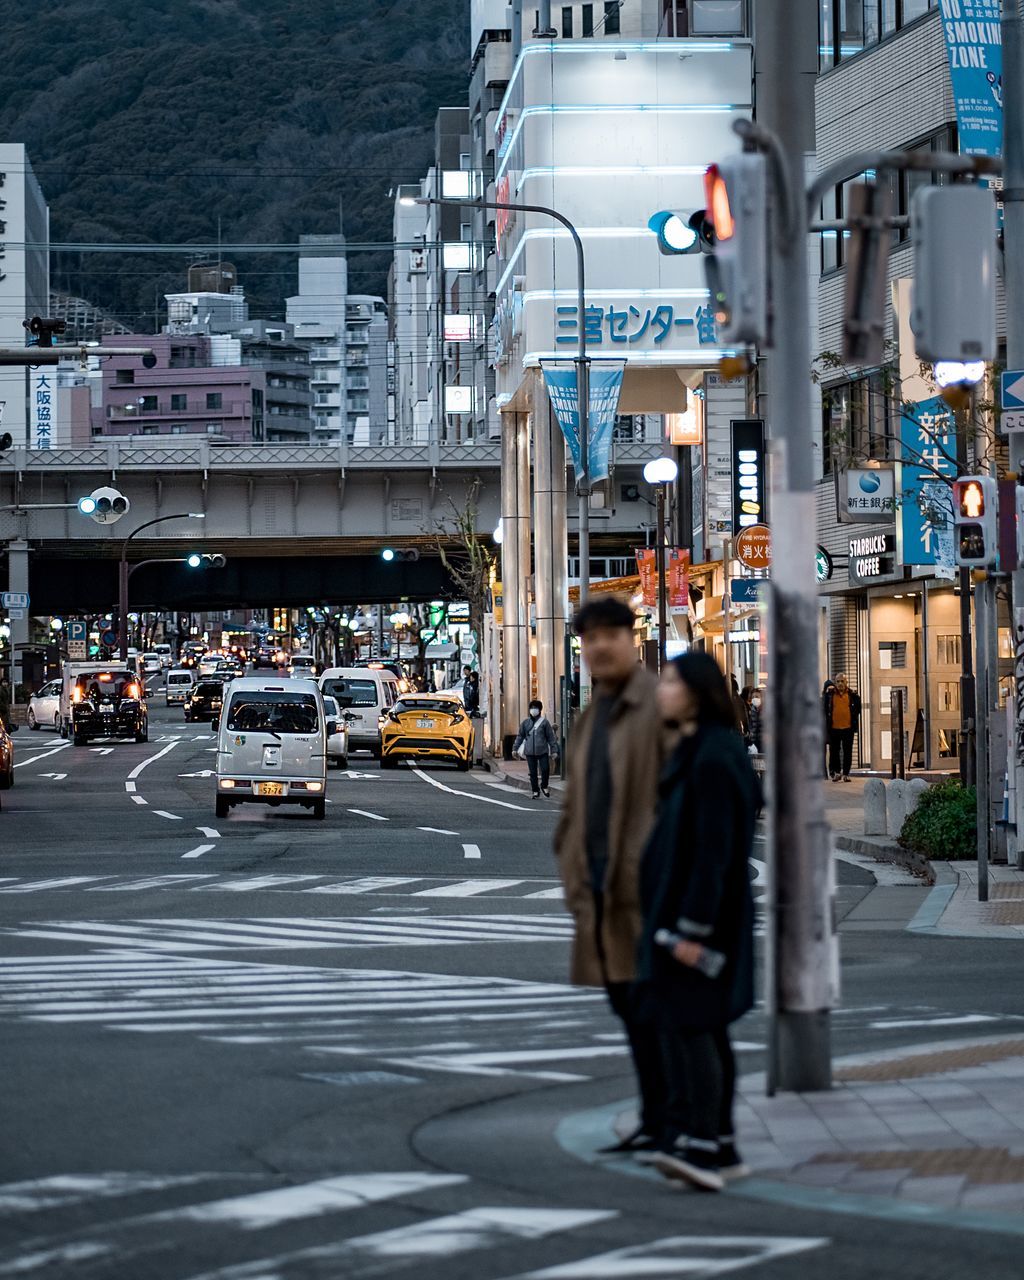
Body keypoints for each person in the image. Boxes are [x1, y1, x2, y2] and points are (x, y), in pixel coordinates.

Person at [636, 652, 758, 1192]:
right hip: (691, 914)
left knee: (692, 1027)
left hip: (702, 920)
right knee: (702, 1026)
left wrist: (692, 928)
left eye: (671, 684)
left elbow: (714, 850)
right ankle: (721, 1144)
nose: (662, 691)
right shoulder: (701, 749)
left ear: (696, 693)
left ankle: (705, 1147)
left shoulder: (713, 756)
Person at [554, 596, 668, 1155]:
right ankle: (656, 1115)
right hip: (601, 889)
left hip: (650, 888)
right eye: (589, 637)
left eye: (610, 635)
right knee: (628, 1007)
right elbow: (578, 804)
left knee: (659, 1009)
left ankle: (682, 1120)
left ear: (631, 639)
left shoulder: (658, 707)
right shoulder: (592, 714)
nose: (599, 646)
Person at [514, 699, 558, 798]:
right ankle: (535, 791)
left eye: (536, 708)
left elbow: (550, 737)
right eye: (532, 708)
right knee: (533, 773)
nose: (533, 710)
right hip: (529, 751)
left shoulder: (545, 723)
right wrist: (514, 748)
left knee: (545, 769)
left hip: (542, 751)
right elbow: (520, 736)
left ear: (540, 710)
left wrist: (554, 750)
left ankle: (544, 786)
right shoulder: (525, 723)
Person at [824, 672, 861, 782]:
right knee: (834, 752)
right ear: (835, 683)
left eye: (842, 681)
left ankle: (846, 773)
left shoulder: (853, 695)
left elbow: (858, 709)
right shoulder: (830, 695)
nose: (840, 683)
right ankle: (836, 773)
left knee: (847, 751)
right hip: (834, 728)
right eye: (838, 681)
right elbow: (825, 710)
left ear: (846, 682)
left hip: (848, 728)